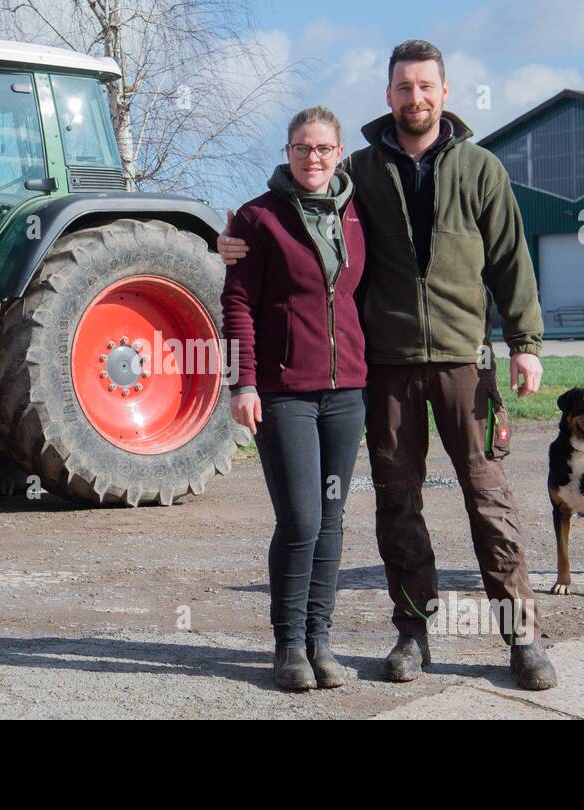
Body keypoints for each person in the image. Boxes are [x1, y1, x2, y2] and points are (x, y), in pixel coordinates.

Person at [219, 40, 558, 691]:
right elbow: (295, 208)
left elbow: (511, 260)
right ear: (388, 96)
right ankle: (412, 635)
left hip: (468, 363)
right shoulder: (362, 172)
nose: (415, 98)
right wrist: (229, 236)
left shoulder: (482, 169)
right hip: (386, 369)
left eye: (425, 86)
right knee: (397, 505)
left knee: (490, 501)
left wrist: (526, 343)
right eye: (403, 88)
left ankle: (523, 638)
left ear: (444, 92)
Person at [221, 106, 368, 691]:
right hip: (284, 395)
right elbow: (238, 306)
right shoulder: (258, 219)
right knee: (301, 519)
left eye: (324, 148)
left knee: (332, 521)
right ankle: (287, 647)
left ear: (339, 154)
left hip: (347, 393)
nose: (313, 158)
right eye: (302, 147)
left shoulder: (357, 214)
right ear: (287, 152)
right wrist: (245, 382)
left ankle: (320, 643)